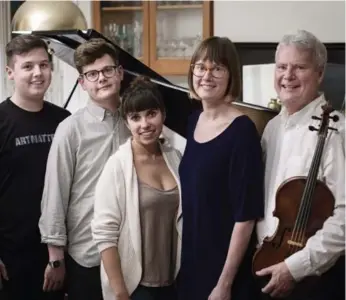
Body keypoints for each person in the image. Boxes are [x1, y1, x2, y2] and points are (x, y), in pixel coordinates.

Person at [255, 29, 345, 300]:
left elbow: (344, 216)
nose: (288, 75)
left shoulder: (336, 131)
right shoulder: (271, 128)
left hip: (313, 281)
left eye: (299, 67)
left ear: (319, 73)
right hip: (265, 267)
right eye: (282, 66)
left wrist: (294, 268)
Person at [38, 38, 130, 300]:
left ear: (119, 73)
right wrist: (56, 257)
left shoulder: (135, 121)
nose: (101, 78)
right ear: (82, 82)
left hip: (130, 250)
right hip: (86, 254)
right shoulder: (70, 129)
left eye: (107, 70)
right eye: (92, 74)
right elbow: (55, 193)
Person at [177, 36, 264, 300]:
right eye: (201, 67)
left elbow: (246, 216)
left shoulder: (242, 132)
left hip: (224, 272)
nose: (207, 75)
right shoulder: (193, 122)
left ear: (231, 76)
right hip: (192, 262)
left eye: (217, 68)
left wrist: (224, 283)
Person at [91, 76, 182, 300]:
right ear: (126, 122)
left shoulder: (175, 157)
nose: (144, 124)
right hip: (135, 287)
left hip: (174, 283)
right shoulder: (117, 166)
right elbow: (104, 235)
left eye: (151, 113)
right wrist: (120, 292)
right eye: (135, 117)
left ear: (163, 114)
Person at [0, 34, 70, 300]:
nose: (38, 73)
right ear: (10, 72)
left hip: (58, 253)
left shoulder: (63, 121)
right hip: (11, 258)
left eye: (43, 64)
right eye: (27, 66)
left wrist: (58, 257)